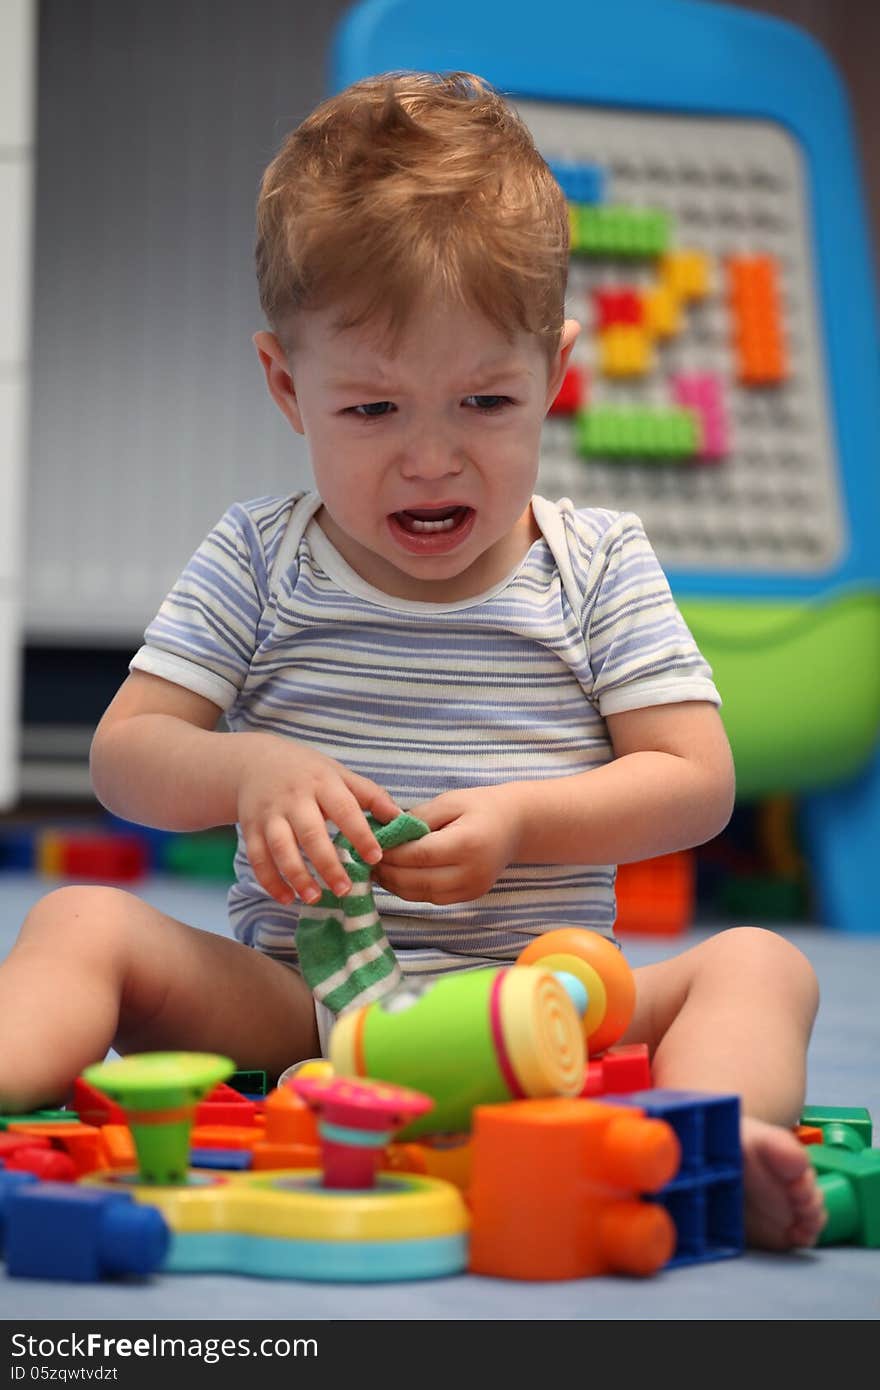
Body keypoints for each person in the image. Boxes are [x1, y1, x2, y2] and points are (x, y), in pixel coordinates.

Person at [0, 71, 823, 1250]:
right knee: (82, 919)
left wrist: (519, 826)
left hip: (548, 1003)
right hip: (303, 1010)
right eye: (373, 411)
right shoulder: (258, 556)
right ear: (288, 385)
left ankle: (714, 1134)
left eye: (484, 401)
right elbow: (127, 755)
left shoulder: (597, 566)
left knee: (757, 958)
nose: (430, 459)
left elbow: (695, 779)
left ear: (557, 373)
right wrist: (248, 771)